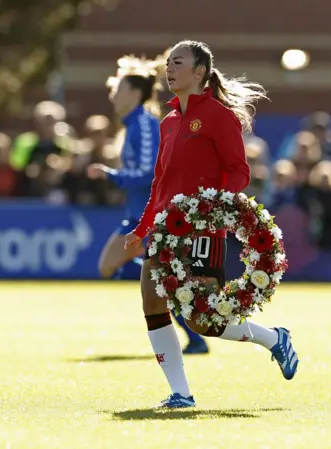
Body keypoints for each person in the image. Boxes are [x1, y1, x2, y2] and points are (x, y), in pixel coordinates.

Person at [124, 40, 299, 409]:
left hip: (203, 231)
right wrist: (142, 230)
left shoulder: (219, 116)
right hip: (165, 230)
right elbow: (160, 183)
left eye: (178, 62)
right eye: (168, 63)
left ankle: (273, 339)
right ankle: (181, 393)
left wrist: (211, 207)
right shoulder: (169, 122)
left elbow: (239, 171)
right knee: (152, 303)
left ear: (200, 71)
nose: (169, 69)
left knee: (203, 320)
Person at [87, 52, 211, 354]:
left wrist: (111, 176)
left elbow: (148, 174)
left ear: (133, 93)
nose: (113, 96)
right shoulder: (134, 125)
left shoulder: (143, 123)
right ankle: (193, 333)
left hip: (150, 216)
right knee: (150, 277)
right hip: (140, 213)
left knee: (108, 267)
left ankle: (189, 317)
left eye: (117, 90)